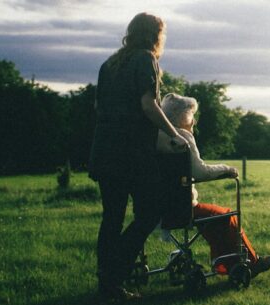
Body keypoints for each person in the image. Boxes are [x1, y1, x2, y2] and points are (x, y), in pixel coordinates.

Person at [89, 12, 187, 301]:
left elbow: (99, 106)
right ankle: (115, 272)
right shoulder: (146, 59)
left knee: (112, 219)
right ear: (155, 35)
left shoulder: (110, 63)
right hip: (131, 154)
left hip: (104, 150)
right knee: (149, 213)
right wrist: (174, 134)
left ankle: (108, 283)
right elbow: (149, 105)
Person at [155, 93, 270, 276]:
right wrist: (227, 169)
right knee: (226, 215)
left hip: (158, 207)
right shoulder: (182, 137)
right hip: (182, 207)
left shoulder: (156, 136)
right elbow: (200, 172)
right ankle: (249, 262)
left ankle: (227, 263)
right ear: (182, 117)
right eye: (191, 115)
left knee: (213, 218)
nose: (194, 121)